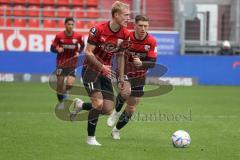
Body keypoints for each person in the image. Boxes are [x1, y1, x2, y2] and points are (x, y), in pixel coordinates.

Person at [71, 1, 131, 146]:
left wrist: (121, 77)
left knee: (107, 109)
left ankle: (80, 105)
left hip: (105, 72)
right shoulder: (97, 30)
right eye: (126, 15)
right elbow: (88, 52)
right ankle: (90, 138)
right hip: (90, 70)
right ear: (116, 15)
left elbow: (121, 56)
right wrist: (102, 66)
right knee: (97, 104)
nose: (128, 18)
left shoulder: (125, 34)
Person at [107, 15, 158, 140]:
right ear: (134, 25)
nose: (143, 28)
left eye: (145, 26)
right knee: (125, 92)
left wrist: (142, 63)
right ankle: (115, 112)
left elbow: (152, 63)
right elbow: (119, 55)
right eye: (140, 25)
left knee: (131, 108)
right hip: (125, 72)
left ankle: (116, 130)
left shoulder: (151, 41)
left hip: (140, 77)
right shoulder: (127, 37)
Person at [50, 17, 85, 108]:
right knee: (60, 85)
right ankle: (62, 102)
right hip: (61, 63)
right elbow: (52, 48)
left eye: (72, 24)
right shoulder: (59, 36)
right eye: (69, 24)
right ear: (65, 25)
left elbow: (82, 45)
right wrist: (58, 49)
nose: (70, 26)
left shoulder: (78, 36)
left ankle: (65, 94)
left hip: (72, 63)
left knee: (69, 84)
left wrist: (79, 52)